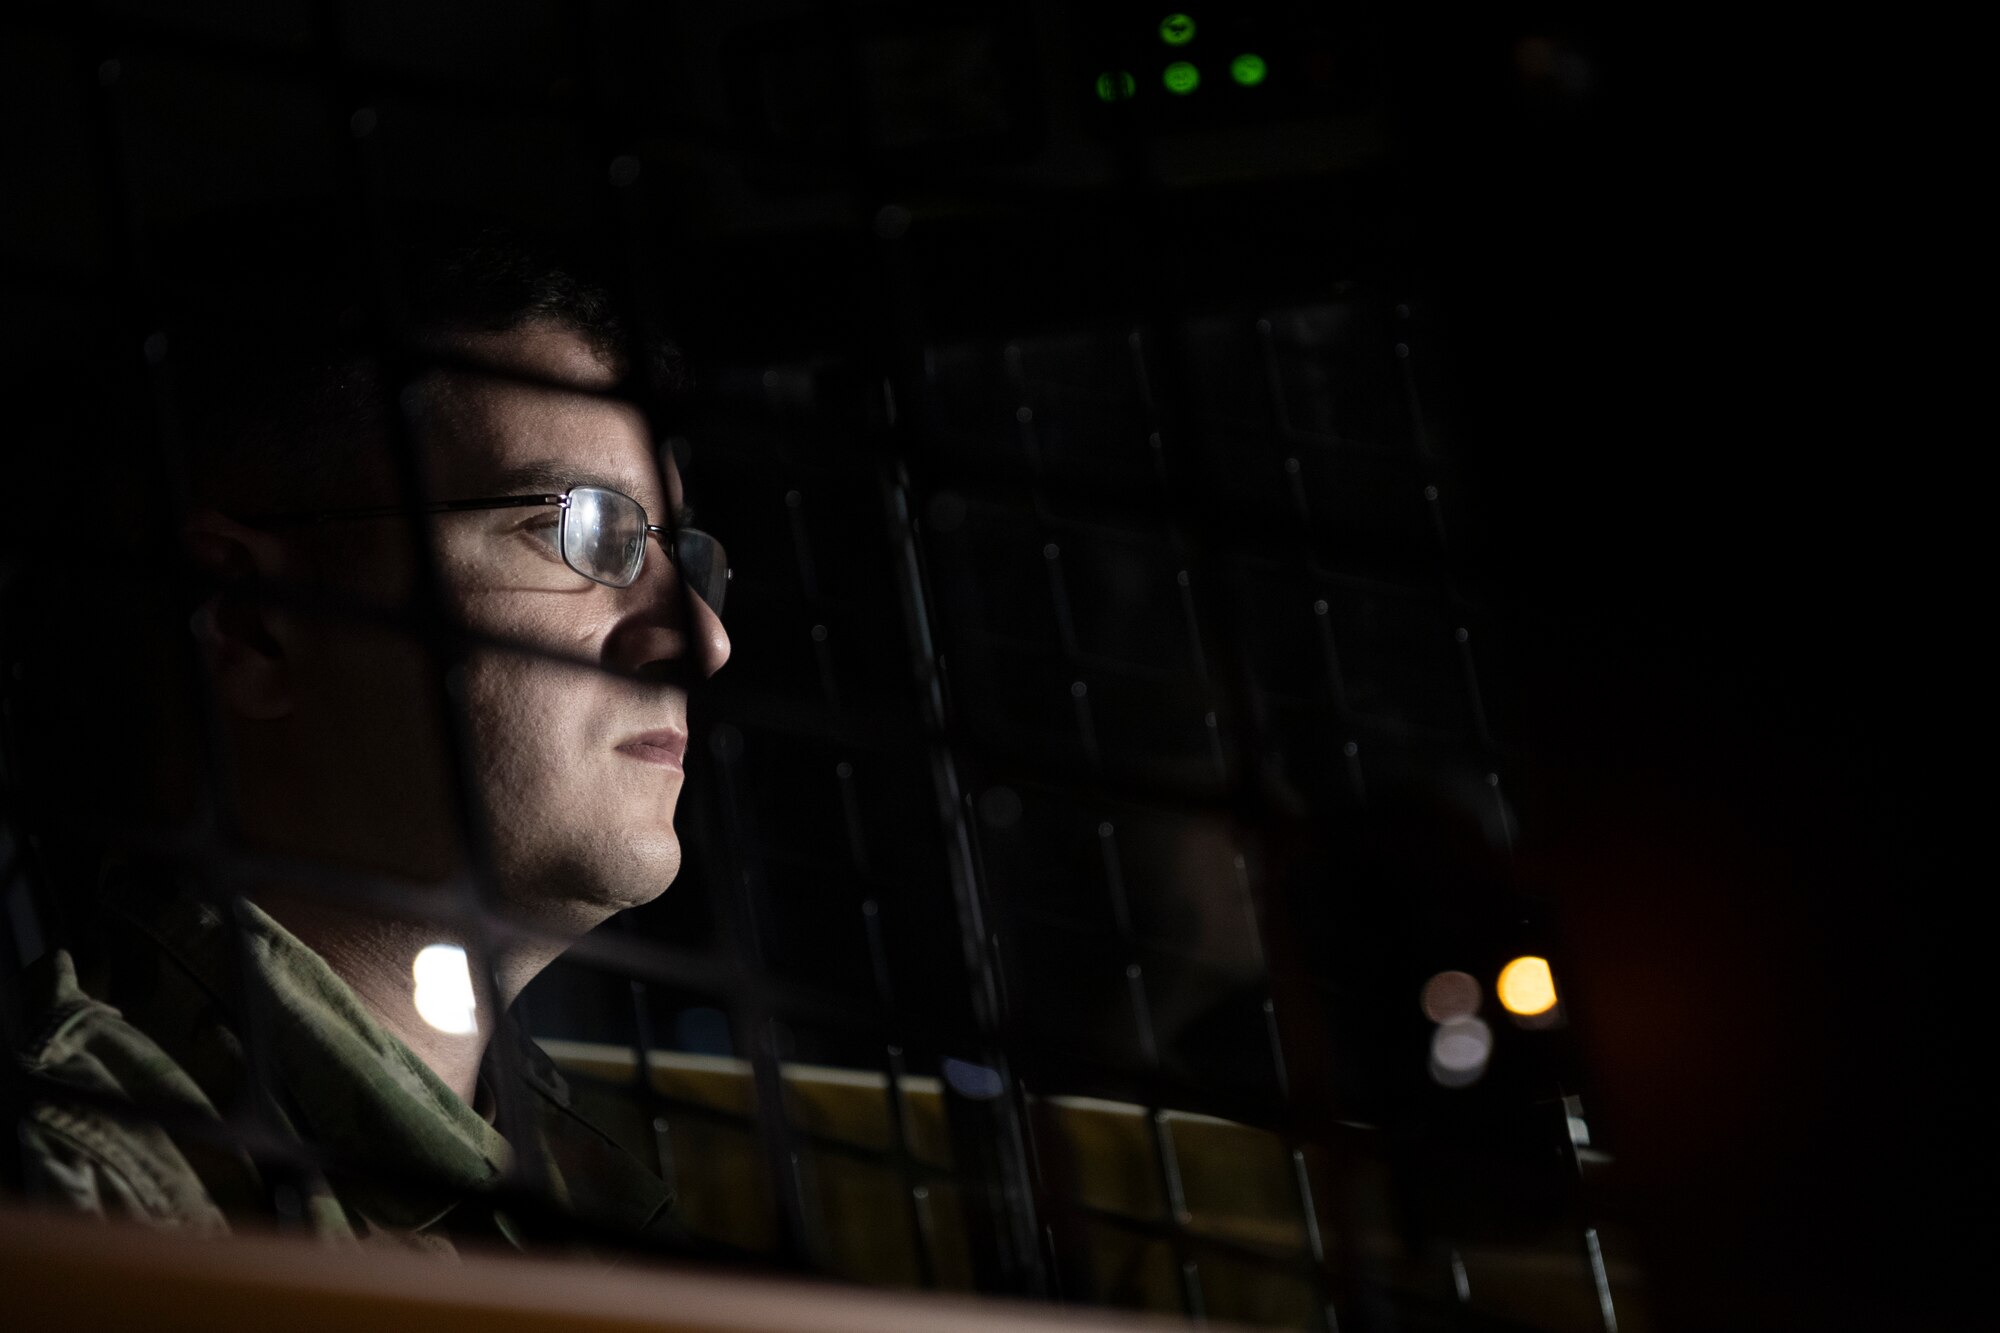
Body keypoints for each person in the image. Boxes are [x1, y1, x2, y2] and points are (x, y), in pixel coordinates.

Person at [8, 219, 730, 1253]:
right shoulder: (83, 1197)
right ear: (255, 625)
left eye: (671, 549)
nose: (702, 639)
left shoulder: (587, 1202)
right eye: (580, 532)